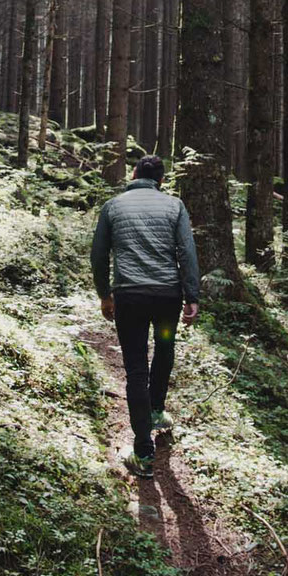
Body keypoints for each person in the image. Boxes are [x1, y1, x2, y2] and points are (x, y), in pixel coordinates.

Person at [90, 154, 200, 478]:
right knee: (165, 348)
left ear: (134, 173)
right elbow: (187, 251)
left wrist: (104, 294)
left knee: (136, 368)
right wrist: (191, 295)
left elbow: (98, 254)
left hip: (131, 299)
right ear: (161, 180)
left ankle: (143, 452)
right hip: (167, 299)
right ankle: (155, 411)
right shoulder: (174, 206)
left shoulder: (113, 206)